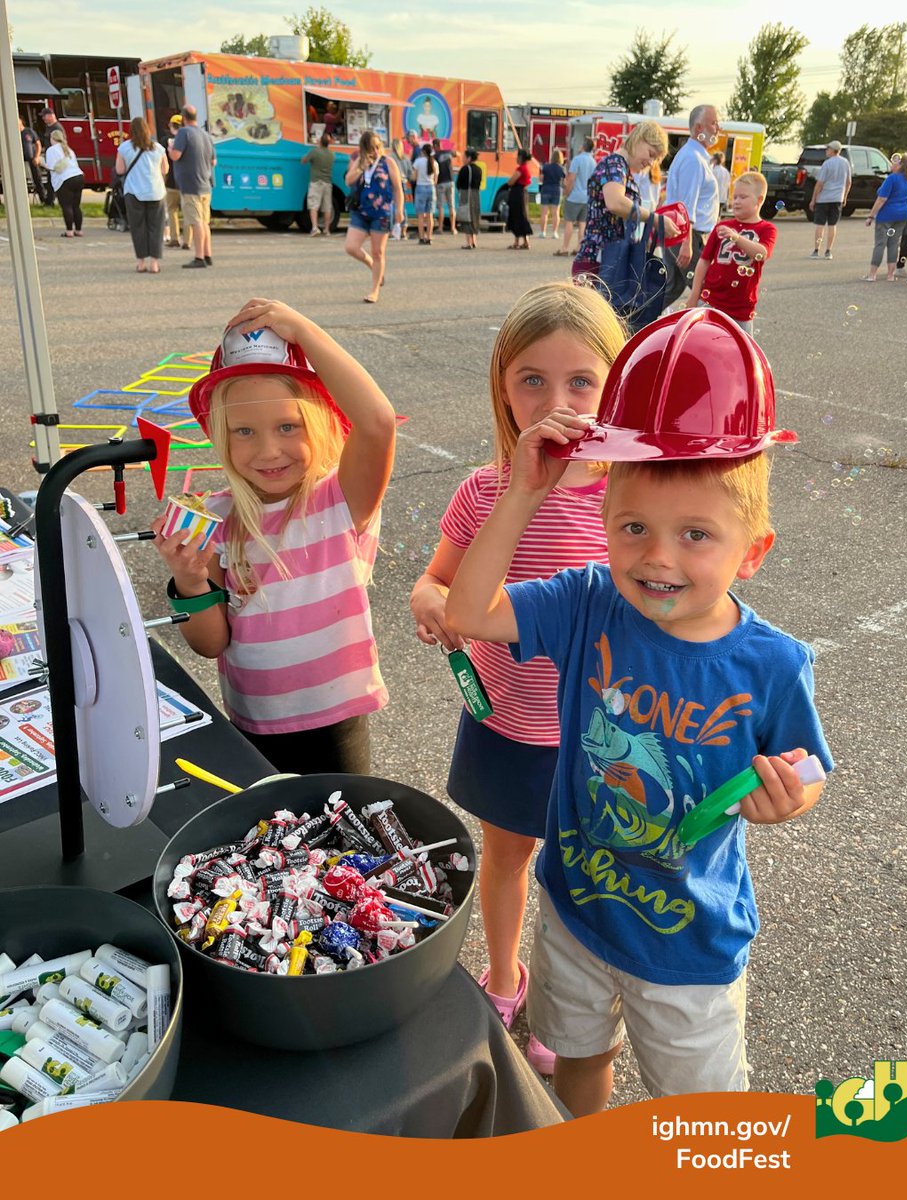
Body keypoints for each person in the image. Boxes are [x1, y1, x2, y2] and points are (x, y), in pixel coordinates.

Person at [444, 309, 831, 1115]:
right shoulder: (587, 602)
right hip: (577, 912)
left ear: (752, 551)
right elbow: (470, 612)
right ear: (603, 522)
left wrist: (792, 796)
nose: (657, 556)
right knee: (578, 1061)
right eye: (633, 528)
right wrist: (523, 489)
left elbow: (807, 762)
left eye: (696, 534)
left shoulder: (772, 663)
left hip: (688, 946)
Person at [410, 281, 627, 1077]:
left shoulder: (629, 502)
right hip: (506, 723)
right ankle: (505, 979)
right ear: (503, 385)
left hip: (596, 740)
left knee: (586, 874)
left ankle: (579, 1007)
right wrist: (431, 602)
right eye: (531, 378)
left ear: (617, 383)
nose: (555, 400)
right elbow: (436, 580)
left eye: (581, 381)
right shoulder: (484, 489)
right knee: (506, 858)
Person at [152, 297, 396, 776]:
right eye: (244, 431)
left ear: (320, 422)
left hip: (335, 723)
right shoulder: (217, 517)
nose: (268, 450)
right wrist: (189, 581)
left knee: (342, 843)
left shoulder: (339, 500)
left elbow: (378, 421)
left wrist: (303, 330)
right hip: (250, 723)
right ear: (220, 436)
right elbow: (210, 643)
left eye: (288, 425)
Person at [571, 120, 680, 328]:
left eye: (656, 159)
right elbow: (615, 202)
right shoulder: (614, 164)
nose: (651, 162)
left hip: (607, 261)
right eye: (650, 153)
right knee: (593, 332)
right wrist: (655, 219)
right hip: (599, 261)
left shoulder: (621, 169)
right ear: (639, 139)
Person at [687, 172, 776, 336]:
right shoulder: (723, 226)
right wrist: (694, 295)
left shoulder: (766, 229)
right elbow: (704, 261)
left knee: (739, 357)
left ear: (759, 200)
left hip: (740, 310)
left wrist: (736, 237)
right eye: (734, 197)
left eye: (743, 197)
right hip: (710, 302)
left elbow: (762, 253)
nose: (736, 202)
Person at [662, 105, 721, 307]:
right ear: (698, 129)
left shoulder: (697, 157)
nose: (717, 129)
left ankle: (635, 324)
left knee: (672, 288)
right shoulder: (693, 160)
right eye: (713, 123)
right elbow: (686, 206)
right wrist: (687, 244)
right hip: (687, 235)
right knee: (704, 290)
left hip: (681, 234)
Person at [344, 130, 404, 304]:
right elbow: (348, 180)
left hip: (382, 213)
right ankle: (371, 264)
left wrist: (399, 210)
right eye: (372, 148)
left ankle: (374, 290)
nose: (376, 151)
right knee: (351, 247)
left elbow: (398, 188)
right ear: (364, 148)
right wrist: (362, 167)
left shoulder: (388, 162)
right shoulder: (359, 162)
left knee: (378, 252)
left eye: (378, 147)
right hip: (361, 212)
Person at [115, 116, 169, 274]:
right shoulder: (158, 148)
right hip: (156, 192)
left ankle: (141, 263)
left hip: (133, 192)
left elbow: (120, 170)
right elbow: (165, 170)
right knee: (156, 228)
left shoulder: (124, 148)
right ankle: (154, 263)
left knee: (138, 228)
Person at [169, 104, 217, 269]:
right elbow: (213, 161)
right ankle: (207, 254)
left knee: (196, 222)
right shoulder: (206, 135)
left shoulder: (184, 133)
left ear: (183, 118)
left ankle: (199, 257)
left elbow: (176, 155)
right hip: (205, 184)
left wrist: (170, 148)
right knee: (204, 222)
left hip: (191, 185)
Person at [862, 154, 907, 283]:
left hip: (887, 215)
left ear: (900, 165)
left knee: (880, 243)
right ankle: (890, 275)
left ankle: (872, 274)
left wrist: (871, 216)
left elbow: (881, 199)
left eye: (893, 163)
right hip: (903, 215)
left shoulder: (891, 179)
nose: (891, 165)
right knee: (893, 243)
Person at [808, 141, 852, 260]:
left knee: (820, 225)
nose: (826, 150)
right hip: (837, 197)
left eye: (828, 148)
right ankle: (828, 251)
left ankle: (817, 250)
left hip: (824, 198)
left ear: (833, 150)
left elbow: (820, 183)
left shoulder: (827, 163)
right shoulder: (845, 162)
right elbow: (848, 182)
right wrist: (845, 196)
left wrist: (813, 199)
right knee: (833, 224)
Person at [44, 128, 85, 238]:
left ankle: (69, 231)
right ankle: (79, 230)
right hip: (79, 176)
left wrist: (41, 163)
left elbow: (51, 167)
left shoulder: (51, 150)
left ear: (53, 139)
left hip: (65, 179)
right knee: (76, 206)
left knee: (66, 206)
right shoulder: (69, 150)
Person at [559, 137, 596, 257]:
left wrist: (566, 193)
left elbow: (571, 179)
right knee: (582, 223)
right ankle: (579, 247)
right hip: (587, 197)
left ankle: (565, 248)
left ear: (583, 146)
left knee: (569, 221)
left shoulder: (577, 159)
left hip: (574, 196)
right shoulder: (593, 161)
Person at [164, 115, 191, 250]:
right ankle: (187, 240)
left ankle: (174, 238)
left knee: (172, 210)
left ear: (171, 126)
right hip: (186, 182)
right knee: (187, 211)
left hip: (171, 181)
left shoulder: (165, 141)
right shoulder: (188, 139)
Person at [301, 132, 335, 237]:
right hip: (327, 183)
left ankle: (315, 227)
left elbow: (304, 161)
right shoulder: (332, 154)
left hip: (316, 182)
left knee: (314, 206)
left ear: (320, 141)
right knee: (327, 207)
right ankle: (327, 229)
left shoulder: (315, 152)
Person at [507, 148, 534, 250]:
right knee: (523, 216)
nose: (516, 158)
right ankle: (525, 241)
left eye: (518, 156)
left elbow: (511, 181)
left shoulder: (521, 169)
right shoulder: (526, 168)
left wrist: (509, 182)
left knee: (517, 216)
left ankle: (517, 242)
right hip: (523, 193)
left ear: (521, 158)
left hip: (517, 194)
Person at [411, 141, 438, 244]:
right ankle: (429, 238)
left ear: (423, 151)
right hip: (431, 188)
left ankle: (421, 238)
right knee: (430, 215)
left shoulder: (418, 162)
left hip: (420, 188)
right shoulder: (435, 163)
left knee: (421, 216)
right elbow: (436, 180)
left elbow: (414, 177)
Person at [457, 148, 482, 249]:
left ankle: (469, 242)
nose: (463, 159)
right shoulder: (479, 169)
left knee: (466, 217)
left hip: (466, 193)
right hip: (476, 194)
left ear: (469, 158)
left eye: (464, 157)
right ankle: (474, 240)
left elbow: (459, 183)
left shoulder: (465, 169)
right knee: (474, 216)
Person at [38, 108, 65, 205]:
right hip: (50, 157)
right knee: (51, 180)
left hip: (56, 159)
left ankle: (50, 201)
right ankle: (50, 200)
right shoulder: (49, 127)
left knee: (53, 180)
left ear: (50, 115)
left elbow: (61, 143)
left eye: (44, 116)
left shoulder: (57, 127)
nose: (43, 118)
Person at [389, 137, 413, 239]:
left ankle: (392, 230)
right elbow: (410, 173)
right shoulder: (405, 158)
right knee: (402, 207)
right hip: (403, 183)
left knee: (392, 207)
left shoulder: (390, 157)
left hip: (392, 183)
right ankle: (403, 230)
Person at [538, 149, 565, 239]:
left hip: (546, 189)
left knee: (544, 213)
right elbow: (563, 182)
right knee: (555, 213)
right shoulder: (561, 168)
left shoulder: (546, 167)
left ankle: (543, 232)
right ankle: (554, 232)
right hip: (556, 190)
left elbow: (541, 179)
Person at [433, 139, 457, 234]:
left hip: (441, 182)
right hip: (450, 181)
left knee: (441, 206)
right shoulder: (449, 152)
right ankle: (453, 228)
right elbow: (457, 154)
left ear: (435, 146)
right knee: (451, 206)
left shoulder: (435, 156)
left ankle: (440, 228)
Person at [18, 117, 44, 200]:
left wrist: (37, 156)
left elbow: (38, 144)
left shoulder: (29, 131)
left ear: (21, 121)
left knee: (37, 179)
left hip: (32, 159)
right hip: (20, 161)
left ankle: (43, 198)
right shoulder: (14, 134)